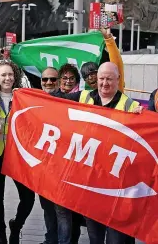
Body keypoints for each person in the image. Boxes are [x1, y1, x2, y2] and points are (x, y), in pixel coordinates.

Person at [52, 62, 142, 244]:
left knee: (115, 240)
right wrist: (24, 95)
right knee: (95, 237)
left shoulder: (130, 106)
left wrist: (143, 115)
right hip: (92, 186)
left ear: (118, 80)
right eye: (101, 78)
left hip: (116, 189)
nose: (104, 83)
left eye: (109, 79)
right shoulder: (84, 97)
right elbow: (54, 100)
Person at [0, 60, 35, 244]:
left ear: (15, 76)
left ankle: (17, 226)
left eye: (10, 74)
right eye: (3, 75)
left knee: (28, 197)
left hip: (18, 157)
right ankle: (2, 235)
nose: (7, 78)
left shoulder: (23, 97)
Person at [39, 67, 60, 244]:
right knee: (47, 207)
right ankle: (50, 238)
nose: (48, 83)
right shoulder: (35, 100)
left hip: (62, 166)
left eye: (53, 79)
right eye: (45, 79)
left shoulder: (69, 100)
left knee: (62, 209)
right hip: (43, 167)